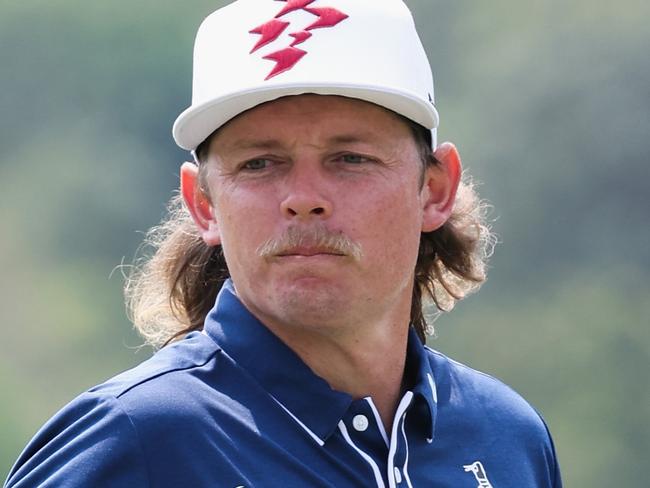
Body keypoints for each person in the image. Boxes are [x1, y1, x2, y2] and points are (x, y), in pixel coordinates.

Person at [5, 0, 563, 486]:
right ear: (204, 203)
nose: (303, 198)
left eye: (350, 158)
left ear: (434, 189)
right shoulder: (133, 440)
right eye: (260, 163)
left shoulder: (507, 437)